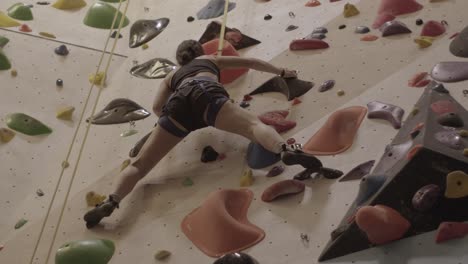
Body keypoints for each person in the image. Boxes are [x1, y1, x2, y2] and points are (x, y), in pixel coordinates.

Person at [84, 39, 324, 228]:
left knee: (141, 165)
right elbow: (250, 62)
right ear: (199, 51)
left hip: (177, 109)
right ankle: (285, 150)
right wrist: (282, 71)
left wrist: (171, 124)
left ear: (178, 59)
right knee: (252, 126)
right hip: (206, 94)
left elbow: (158, 108)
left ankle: (111, 201)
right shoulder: (209, 58)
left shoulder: (171, 77)